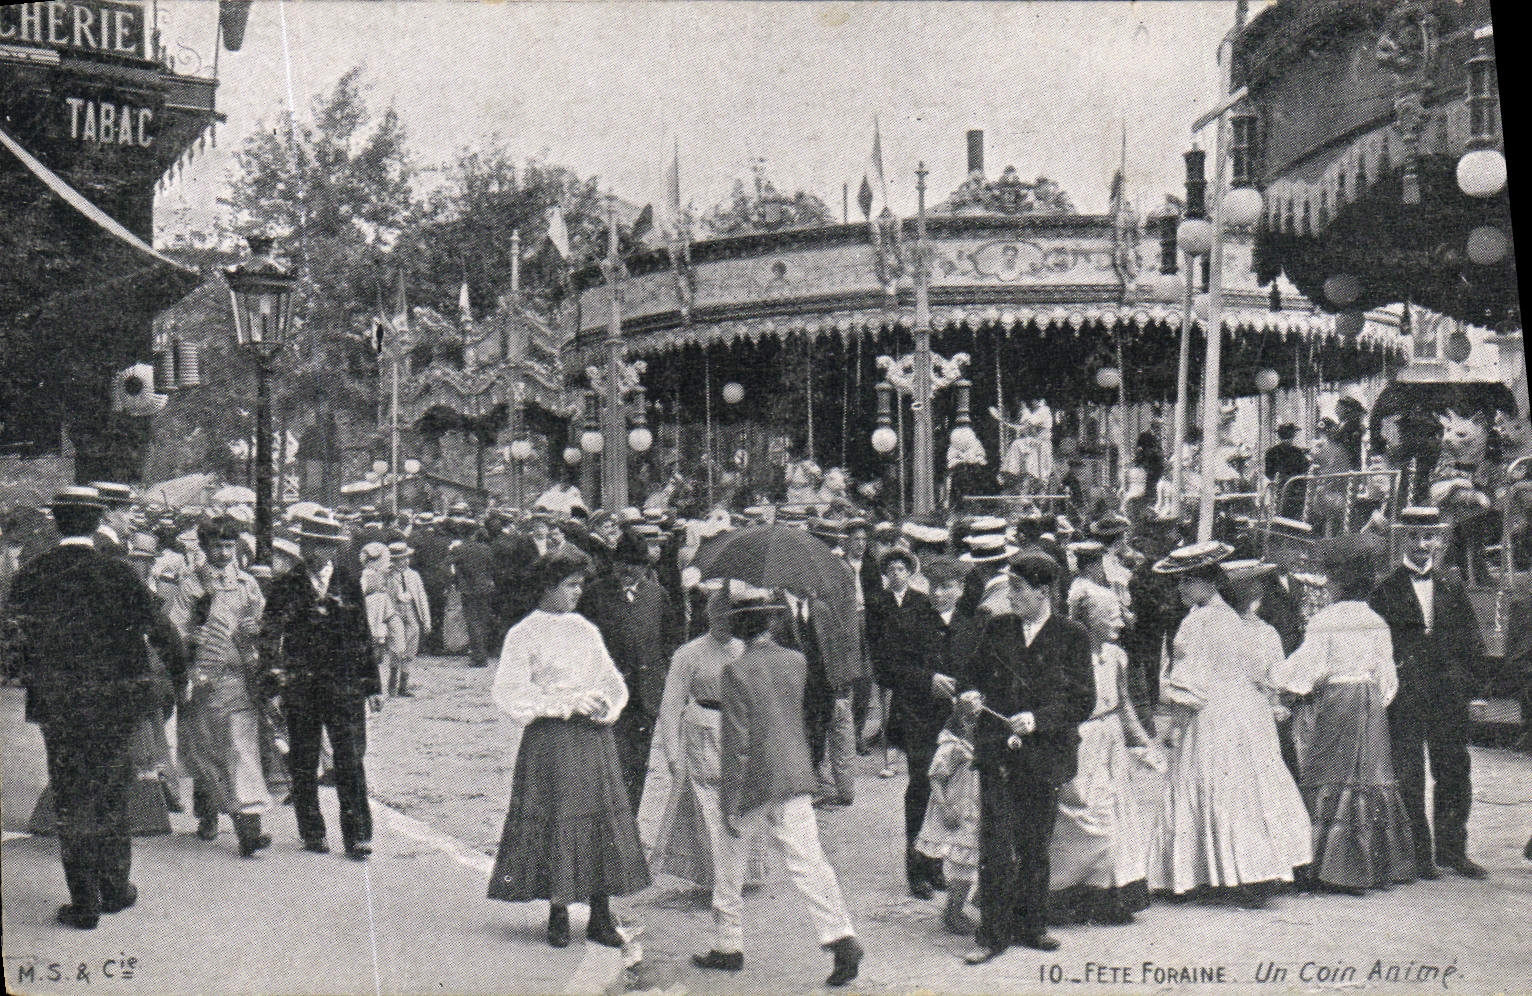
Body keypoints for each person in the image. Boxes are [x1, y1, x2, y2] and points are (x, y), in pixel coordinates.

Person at [695, 582, 863, 987]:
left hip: (754, 779)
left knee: (729, 861)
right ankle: (840, 937)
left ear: (737, 628)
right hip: (794, 770)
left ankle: (728, 944)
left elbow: (737, 743)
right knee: (808, 861)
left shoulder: (735, 671)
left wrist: (729, 802)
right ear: (771, 621)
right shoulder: (796, 661)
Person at [7, 486, 160, 928]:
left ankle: (84, 903)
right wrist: (176, 677)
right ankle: (115, 890)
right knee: (112, 794)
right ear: (97, 523)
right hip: (115, 705)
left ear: (56, 521)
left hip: (59, 708)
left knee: (72, 798)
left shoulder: (33, 574)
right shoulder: (120, 572)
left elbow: (12, 644)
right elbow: (161, 629)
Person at [488, 547, 650, 948]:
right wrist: (562, 705)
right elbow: (509, 691)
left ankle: (600, 913)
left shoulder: (585, 629)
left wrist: (605, 705)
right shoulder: (523, 633)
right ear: (548, 587)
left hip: (592, 738)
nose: (577, 593)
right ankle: (558, 911)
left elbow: (612, 681)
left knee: (599, 819)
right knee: (559, 816)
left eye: (580, 585)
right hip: (552, 739)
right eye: (570, 585)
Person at [1145, 542, 1311, 907]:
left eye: (1186, 582)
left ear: (1207, 583)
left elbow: (1190, 685)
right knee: (1246, 786)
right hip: (1245, 711)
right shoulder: (1233, 620)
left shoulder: (1198, 622)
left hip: (1213, 713)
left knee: (1210, 780)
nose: (1181, 590)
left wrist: (1172, 723)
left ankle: (1208, 872)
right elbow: (1257, 672)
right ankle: (1249, 871)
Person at [959, 547, 1095, 963]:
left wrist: (1037, 719)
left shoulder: (1072, 636)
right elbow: (973, 676)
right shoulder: (998, 629)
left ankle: (1032, 925)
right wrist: (970, 695)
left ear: (1043, 591)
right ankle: (993, 933)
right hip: (998, 751)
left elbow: (1083, 701)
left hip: (1045, 755)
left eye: (1018, 589)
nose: (1011, 597)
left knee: (1035, 842)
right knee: (996, 843)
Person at [1271, 534, 1416, 893]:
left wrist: (1277, 680)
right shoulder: (1376, 621)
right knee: (1370, 774)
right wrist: (1374, 699)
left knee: (1329, 771)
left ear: (1338, 582)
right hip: (1368, 700)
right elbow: (1387, 678)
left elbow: (1308, 668)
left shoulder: (1326, 620)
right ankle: (1370, 865)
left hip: (1338, 698)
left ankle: (1326, 865)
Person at [1367, 506, 1488, 879]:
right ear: (1402, 539)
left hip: (1448, 695)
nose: (1422, 545)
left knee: (1453, 769)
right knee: (1408, 772)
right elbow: (1377, 645)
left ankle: (1453, 851)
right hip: (1405, 695)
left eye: (1429, 537)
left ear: (1438, 540)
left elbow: (1472, 643)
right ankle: (1418, 856)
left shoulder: (1453, 586)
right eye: (1414, 537)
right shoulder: (1384, 589)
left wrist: (1475, 691)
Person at [261, 508, 384, 860]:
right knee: (304, 758)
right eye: (313, 545)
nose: (319, 553)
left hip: (344, 684)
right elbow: (270, 634)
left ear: (335, 549)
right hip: (301, 684)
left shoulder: (348, 581)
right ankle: (312, 829)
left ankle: (358, 834)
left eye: (326, 546)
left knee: (349, 758)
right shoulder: (286, 584)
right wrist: (272, 680)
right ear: (303, 546)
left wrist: (371, 684)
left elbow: (363, 634)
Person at [1050, 579, 1157, 926]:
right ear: (1085, 619)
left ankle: (1106, 896)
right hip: (1080, 741)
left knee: (1117, 816)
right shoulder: (1064, 655)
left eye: (1120, 615)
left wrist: (1144, 742)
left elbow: (1124, 704)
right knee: (1080, 816)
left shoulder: (1116, 656)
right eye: (1110, 616)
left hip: (1111, 740)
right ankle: (1059, 894)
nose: (1120, 622)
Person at [180, 516, 273, 857]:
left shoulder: (248, 584)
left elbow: (266, 623)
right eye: (217, 546)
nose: (223, 553)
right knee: (205, 750)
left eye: (229, 546)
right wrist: (192, 636)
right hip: (203, 679)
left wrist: (256, 628)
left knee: (241, 749)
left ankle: (249, 828)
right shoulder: (191, 584)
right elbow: (175, 630)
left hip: (238, 677)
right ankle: (206, 810)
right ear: (204, 547)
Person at [866, 545, 948, 898]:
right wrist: (925, 679)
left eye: (950, 585)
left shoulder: (958, 616)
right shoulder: (905, 612)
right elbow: (889, 665)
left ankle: (937, 863)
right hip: (914, 709)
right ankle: (916, 868)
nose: (943, 592)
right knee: (920, 785)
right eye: (938, 585)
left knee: (946, 789)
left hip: (949, 714)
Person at [579, 527, 678, 812]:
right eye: (623, 564)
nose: (628, 571)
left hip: (645, 696)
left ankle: (628, 821)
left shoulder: (657, 595)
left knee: (637, 763)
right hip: (607, 694)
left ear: (645, 567)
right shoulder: (595, 594)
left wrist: (659, 674)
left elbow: (671, 639)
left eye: (635, 565)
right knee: (609, 761)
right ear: (614, 563)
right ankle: (606, 821)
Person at [915, 702, 981, 935]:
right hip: (957, 811)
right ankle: (952, 912)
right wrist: (945, 808)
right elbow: (935, 778)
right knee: (962, 863)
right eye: (971, 720)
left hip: (974, 811)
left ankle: (960, 906)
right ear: (961, 721)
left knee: (970, 861)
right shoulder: (952, 747)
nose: (974, 725)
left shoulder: (977, 744)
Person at [448, 517, 497, 668]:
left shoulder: (459, 549)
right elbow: (492, 568)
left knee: (472, 621)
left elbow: (446, 565)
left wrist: (456, 579)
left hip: (468, 589)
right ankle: (482, 652)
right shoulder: (486, 549)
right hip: (485, 587)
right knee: (483, 619)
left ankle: (478, 656)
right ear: (475, 533)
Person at [386, 538, 431, 697]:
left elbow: (421, 597)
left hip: (411, 611)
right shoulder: (388, 576)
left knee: (411, 647)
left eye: (406, 558)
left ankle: (403, 686)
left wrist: (426, 620)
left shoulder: (414, 575)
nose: (404, 562)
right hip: (395, 612)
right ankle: (392, 683)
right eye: (399, 560)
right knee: (396, 647)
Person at [1266, 424, 1311, 521]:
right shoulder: (1298, 452)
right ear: (1293, 435)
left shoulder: (1271, 452)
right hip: (1296, 491)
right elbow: (1305, 470)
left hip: (1277, 490)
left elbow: (1268, 473)